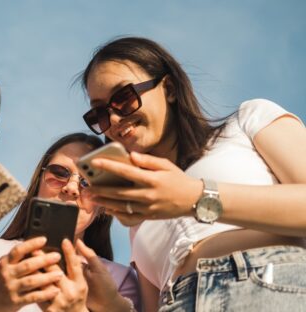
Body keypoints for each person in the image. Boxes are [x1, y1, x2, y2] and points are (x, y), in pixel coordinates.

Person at [79, 37, 306, 311]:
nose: (113, 120)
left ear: (170, 88)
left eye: (124, 97)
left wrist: (195, 197)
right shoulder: (140, 217)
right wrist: (112, 305)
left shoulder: (247, 123)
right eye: (100, 114)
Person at [0, 133, 141, 312]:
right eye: (59, 173)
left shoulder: (121, 281)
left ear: (103, 204)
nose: (71, 188)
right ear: (39, 181)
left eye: (89, 182)